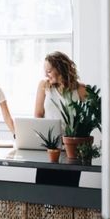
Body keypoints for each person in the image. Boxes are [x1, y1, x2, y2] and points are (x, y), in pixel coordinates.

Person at [34, 51, 87, 187]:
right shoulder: (44, 86)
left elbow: (89, 116)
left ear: (60, 69)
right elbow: (38, 115)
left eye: (49, 71)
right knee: (43, 191)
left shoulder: (80, 89)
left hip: (72, 150)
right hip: (50, 149)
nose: (46, 74)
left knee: (69, 192)